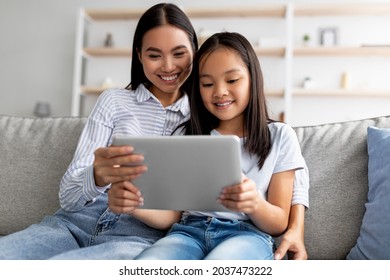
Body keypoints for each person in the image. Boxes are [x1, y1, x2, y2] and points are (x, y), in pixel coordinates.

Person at [0, 3, 307, 260]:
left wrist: (295, 228)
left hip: (138, 232)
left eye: (179, 53)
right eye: (154, 55)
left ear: (195, 54)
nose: (168, 66)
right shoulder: (121, 103)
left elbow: (289, 168)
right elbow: (68, 196)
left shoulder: (206, 115)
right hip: (80, 221)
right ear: (139, 55)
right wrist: (98, 176)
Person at [132, 32, 307, 260]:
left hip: (247, 235)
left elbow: (278, 223)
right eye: (207, 83)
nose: (219, 91)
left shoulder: (280, 136)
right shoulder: (187, 135)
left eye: (232, 80)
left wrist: (253, 202)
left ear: (253, 79)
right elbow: (173, 214)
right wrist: (134, 206)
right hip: (188, 233)